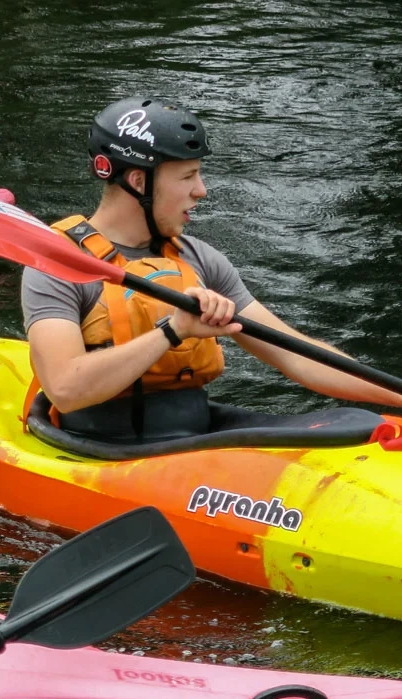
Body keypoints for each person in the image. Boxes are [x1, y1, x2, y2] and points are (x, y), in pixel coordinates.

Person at [22, 96, 402, 442]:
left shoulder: (198, 259)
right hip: (103, 446)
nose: (201, 190)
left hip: (193, 435)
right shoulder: (58, 263)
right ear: (139, 181)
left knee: (354, 424)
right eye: (187, 176)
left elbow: (298, 356)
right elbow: (65, 389)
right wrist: (172, 331)